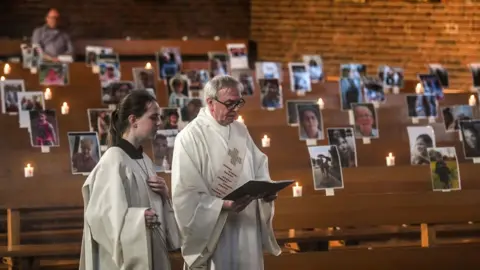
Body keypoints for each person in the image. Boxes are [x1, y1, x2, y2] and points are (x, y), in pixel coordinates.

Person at [171, 75, 281, 270]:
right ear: (210, 102)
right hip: (215, 230)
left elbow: (259, 166)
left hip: (247, 224)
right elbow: (185, 193)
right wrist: (221, 206)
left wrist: (266, 190)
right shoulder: (189, 138)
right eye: (230, 103)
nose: (236, 110)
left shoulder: (240, 131)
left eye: (239, 103)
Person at [79, 90, 181, 270]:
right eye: (154, 117)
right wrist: (138, 219)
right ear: (133, 120)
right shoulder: (113, 160)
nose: (159, 122)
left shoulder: (145, 160)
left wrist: (165, 196)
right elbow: (99, 217)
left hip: (154, 252)